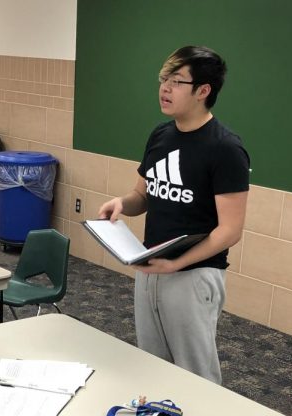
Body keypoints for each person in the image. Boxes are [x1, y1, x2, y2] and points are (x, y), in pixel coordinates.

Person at [98, 46, 250, 385]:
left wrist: (177, 265)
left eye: (176, 81)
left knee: (195, 375)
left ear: (203, 91)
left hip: (193, 275)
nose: (165, 87)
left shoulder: (226, 149)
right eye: (163, 78)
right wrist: (122, 203)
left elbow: (230, 230)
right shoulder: (160, 135)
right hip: (151, 267)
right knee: (152, 367)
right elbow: (142, 196)